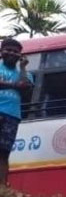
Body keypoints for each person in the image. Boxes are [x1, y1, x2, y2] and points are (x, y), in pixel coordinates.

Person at [0, 38, 34, 186]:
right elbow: (19, 86)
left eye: (15, 52)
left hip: (12, 116)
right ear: (1, 52)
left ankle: (2, 189)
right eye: (8, 50)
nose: (11, 53)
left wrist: (23, 68)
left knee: (3, 154)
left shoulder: (24, 73)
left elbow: (26, 89)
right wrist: (15, 85)